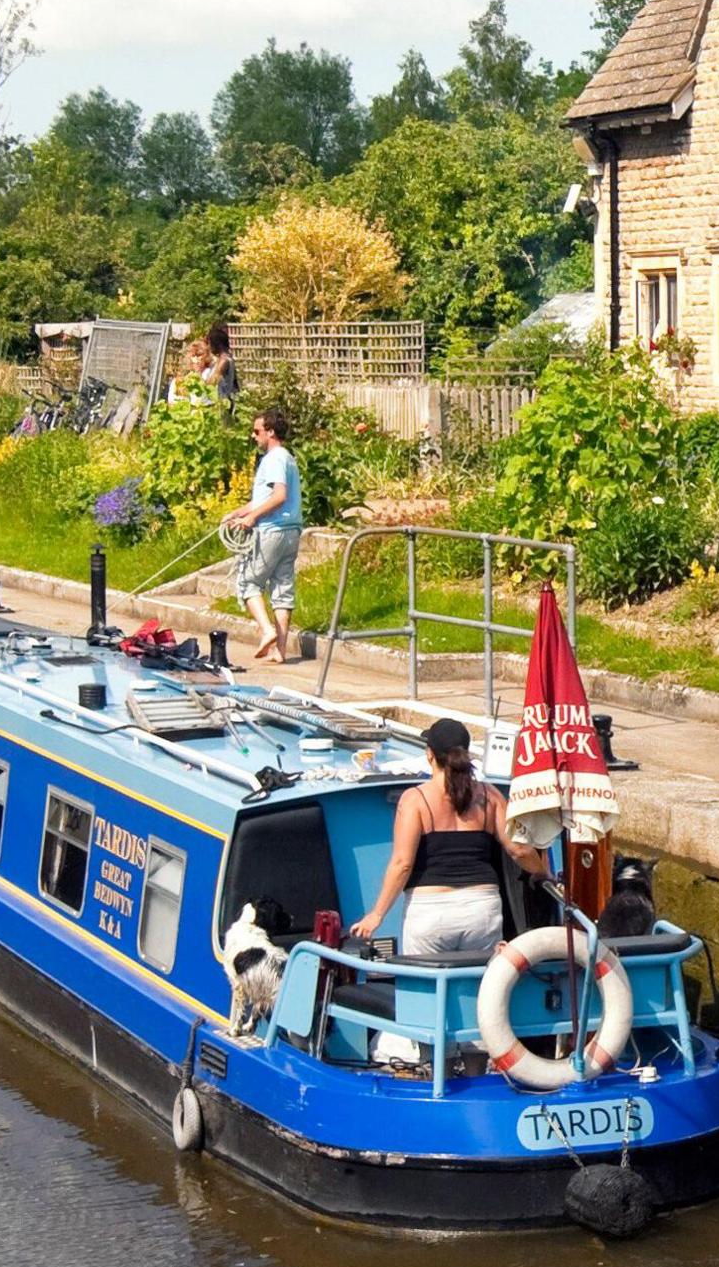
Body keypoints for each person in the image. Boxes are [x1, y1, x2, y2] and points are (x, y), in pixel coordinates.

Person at [347, 716, 541, 964]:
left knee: (424, 991)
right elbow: (519, 850)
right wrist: (543, 873)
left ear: (430, 755)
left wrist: (376, 915)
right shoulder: (489, 794)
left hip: (430, 912)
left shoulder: (415, 799)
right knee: (480, 989)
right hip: (481, 910)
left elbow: (402, 864)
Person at [228, 406, 303, 662]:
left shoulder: (274, 459)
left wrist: (253, 518)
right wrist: (239, 513)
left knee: (248, 582)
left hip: (272, 531)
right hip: (291, 532)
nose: (253, 436)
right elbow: (264, 498)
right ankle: (280, 651)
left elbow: (279, 496)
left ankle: (267, 630)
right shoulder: (288, 458)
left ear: (270, 432)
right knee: (282, 588)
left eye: (257, 431)